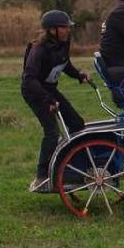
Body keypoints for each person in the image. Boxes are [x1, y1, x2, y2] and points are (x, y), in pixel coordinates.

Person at [21, 10, 90, 192]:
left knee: (77, 124)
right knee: (51, 132)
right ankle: (41, 177)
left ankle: (69, 167)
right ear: (52, 30)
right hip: (35, 92)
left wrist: (78, 75)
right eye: (64, 27)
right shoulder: (38, 50)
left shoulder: (63, 43)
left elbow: (64, 63)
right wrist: (48, 99)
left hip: (49, 90)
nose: (68, 30)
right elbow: (29, 79)